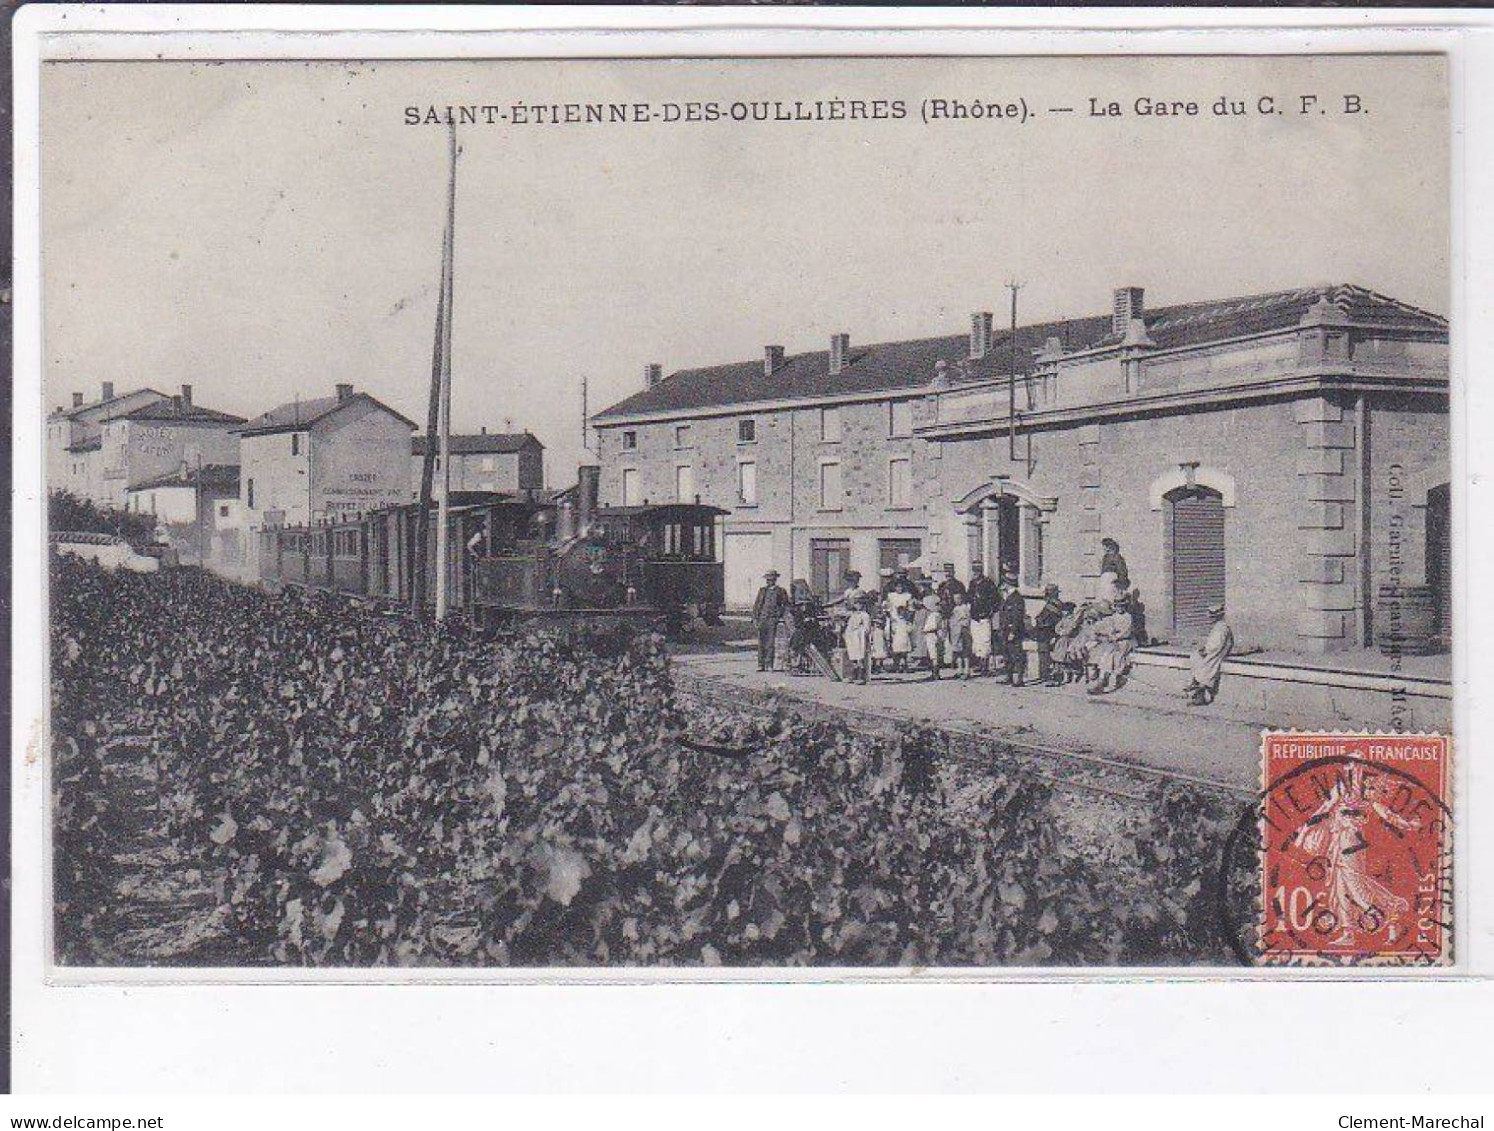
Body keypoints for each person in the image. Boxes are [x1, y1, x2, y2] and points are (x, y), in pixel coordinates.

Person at [1086, 593, 1136, 695]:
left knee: (1116, 655)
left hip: (1124, 641)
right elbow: (1107, 627)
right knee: (1106, 656)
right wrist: (1109, 633)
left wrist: (1115, 636)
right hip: (1113, 641)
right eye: (1117, 606)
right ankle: (1101, 682)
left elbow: (1126, 631)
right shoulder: (1113, 617)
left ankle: (1106, 680)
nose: (1119, 608)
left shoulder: (1128, 617)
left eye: (1122, 606)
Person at [1185, 603, 1234, 705]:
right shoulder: (1218, 626)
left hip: (1219, 652)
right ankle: (1196, 684)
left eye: (1212, 616)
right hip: (1215, 651)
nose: (1210, 618)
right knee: (1195, 657)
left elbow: (1217, 645)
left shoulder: (1222, 627)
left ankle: (1199, 688)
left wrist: (1206, 650)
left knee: (1205, 663)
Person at [752, 570, 790, 672]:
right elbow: (756, 605)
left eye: (772, 579)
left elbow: (785, 605)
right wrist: (755, 618)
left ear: (775, 579)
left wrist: (778, 615)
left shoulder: (781, 591)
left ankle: (769, 665)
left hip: (772, 619)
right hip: (762, 619)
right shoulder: (762, 591)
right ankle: (761, 664)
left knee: (770, 642)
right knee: (761, 642)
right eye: (768, 579)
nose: (770, 581)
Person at [967, 562, 999, 676]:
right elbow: (969, 597)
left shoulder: (988, 583)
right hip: (974, 616)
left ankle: (986, 665)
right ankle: (980, 664)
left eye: (977, 571)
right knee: (977, 641)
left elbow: (996, 600)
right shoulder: (972, 584)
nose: (975, 573)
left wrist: (990, 611)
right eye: (974, 571)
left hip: (985, 616)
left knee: (986, 640)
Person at [1031, 583, 1067, 684]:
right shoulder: (1055, 604)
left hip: (1047, 633)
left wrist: (1038, 621)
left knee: (1044, 654)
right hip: (1046, 632)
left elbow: (1046, 620)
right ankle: (1044, 675)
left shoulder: (1053, 605)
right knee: (1044, 654)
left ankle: (1045, 676)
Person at [996, 567, 1027, 686]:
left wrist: (1013, 631)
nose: (1002, 585)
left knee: (1017, 654)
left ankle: (1019, 679)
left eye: (1003, 583)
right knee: (1007, 654)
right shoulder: (1006, 597)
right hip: (1004, 629)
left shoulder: (1017, 598)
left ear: (1008, 584)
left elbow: (1017, 617)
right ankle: (1009, 676)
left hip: (1013, 630)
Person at [843, 596, 872, 685]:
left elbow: (867, 628)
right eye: (856, 604)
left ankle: (861, 676)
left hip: (860, 637)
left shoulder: (865, 615)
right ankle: (852, 675)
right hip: (852, 637)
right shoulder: (853, 615)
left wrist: (863, 633)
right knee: (852, 656)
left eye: (860, 604)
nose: (858, 606)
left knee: (860, 656)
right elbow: (849, 626)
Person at [946, 590, 973, 680]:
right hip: (955, 632)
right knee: (957, 653)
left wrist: (960, 623)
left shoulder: (965, 608)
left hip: (963, 632)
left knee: (965, 652)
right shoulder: (954, 609)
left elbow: (966, 621)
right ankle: (959, 670)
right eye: (955, 599)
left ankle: (966, 670)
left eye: (958, 598)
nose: (956, 600)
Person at [921, 593, 945, 681]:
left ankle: (935, 673)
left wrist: (925, 630)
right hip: (932, 635)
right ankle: (934, 672)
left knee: (933, 655)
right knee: (933, 655)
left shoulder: (935, 615)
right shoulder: (935, 614)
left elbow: (934, 626)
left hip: (932, 635)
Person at [888, 593, 913, 672]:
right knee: (896, 653)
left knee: (904, 653)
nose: (902, 614)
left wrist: (909, 627)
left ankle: (904, 665)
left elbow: (910, 629)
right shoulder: (896, 621)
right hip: (897, 638)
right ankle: (896, 666)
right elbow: (893, 629)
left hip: (904, 638)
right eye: (900, 612)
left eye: (903, 612)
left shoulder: (906, 621)